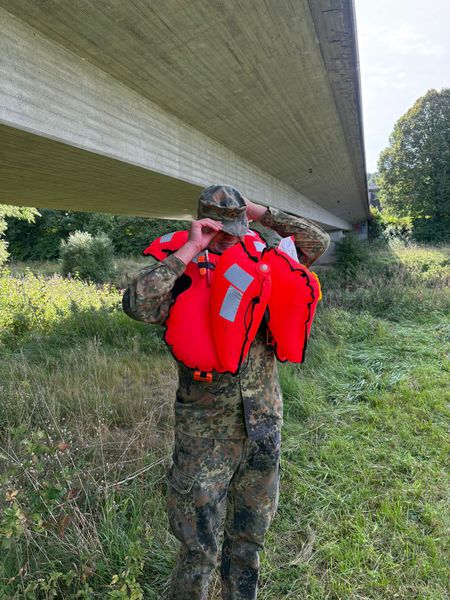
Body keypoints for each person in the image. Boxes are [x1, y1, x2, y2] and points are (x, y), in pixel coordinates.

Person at [122, 184, 330, 600]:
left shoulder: (262, 259)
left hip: (262, 425)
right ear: (203, 225)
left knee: (249, 541)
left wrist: (259, 212)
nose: (228, 238)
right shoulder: (182, 271)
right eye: (218, 230)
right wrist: (191, 248)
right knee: (198, 549)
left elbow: (317, 241)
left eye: (234, 229)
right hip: (205, 434)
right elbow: (137, 305)